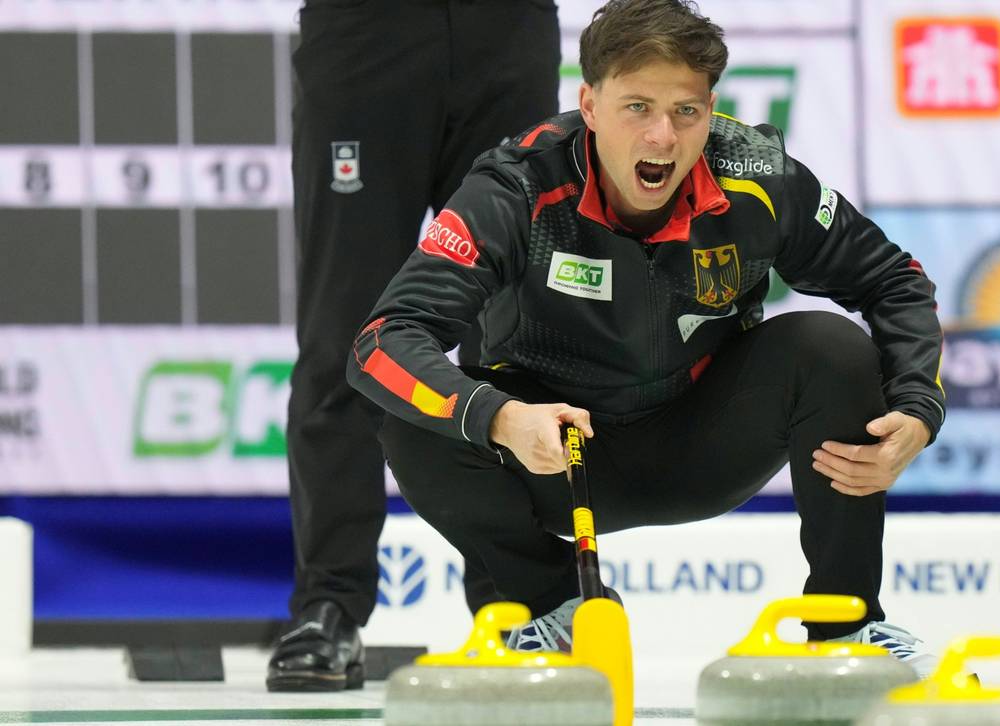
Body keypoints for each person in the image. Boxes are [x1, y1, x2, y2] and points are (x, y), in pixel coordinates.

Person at [347, 0, 946, 676]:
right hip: (557, 458)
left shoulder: (759, 174)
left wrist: (921, 407)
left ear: (711, 109)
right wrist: (501, 418)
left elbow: (894, 280)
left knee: (831, 350)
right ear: (590, 104)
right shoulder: (515, 187)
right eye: (637, 107)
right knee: (419, 412)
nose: (662, 137)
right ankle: (550, 611)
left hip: (702, 441)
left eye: (686, 112)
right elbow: (383, 341)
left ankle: (845, 625)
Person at [269, 0, 560, 692]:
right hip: (365, 32)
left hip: (507, 33)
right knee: (346, 333)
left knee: (513, 334)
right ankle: (329, 604)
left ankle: (519, 605)